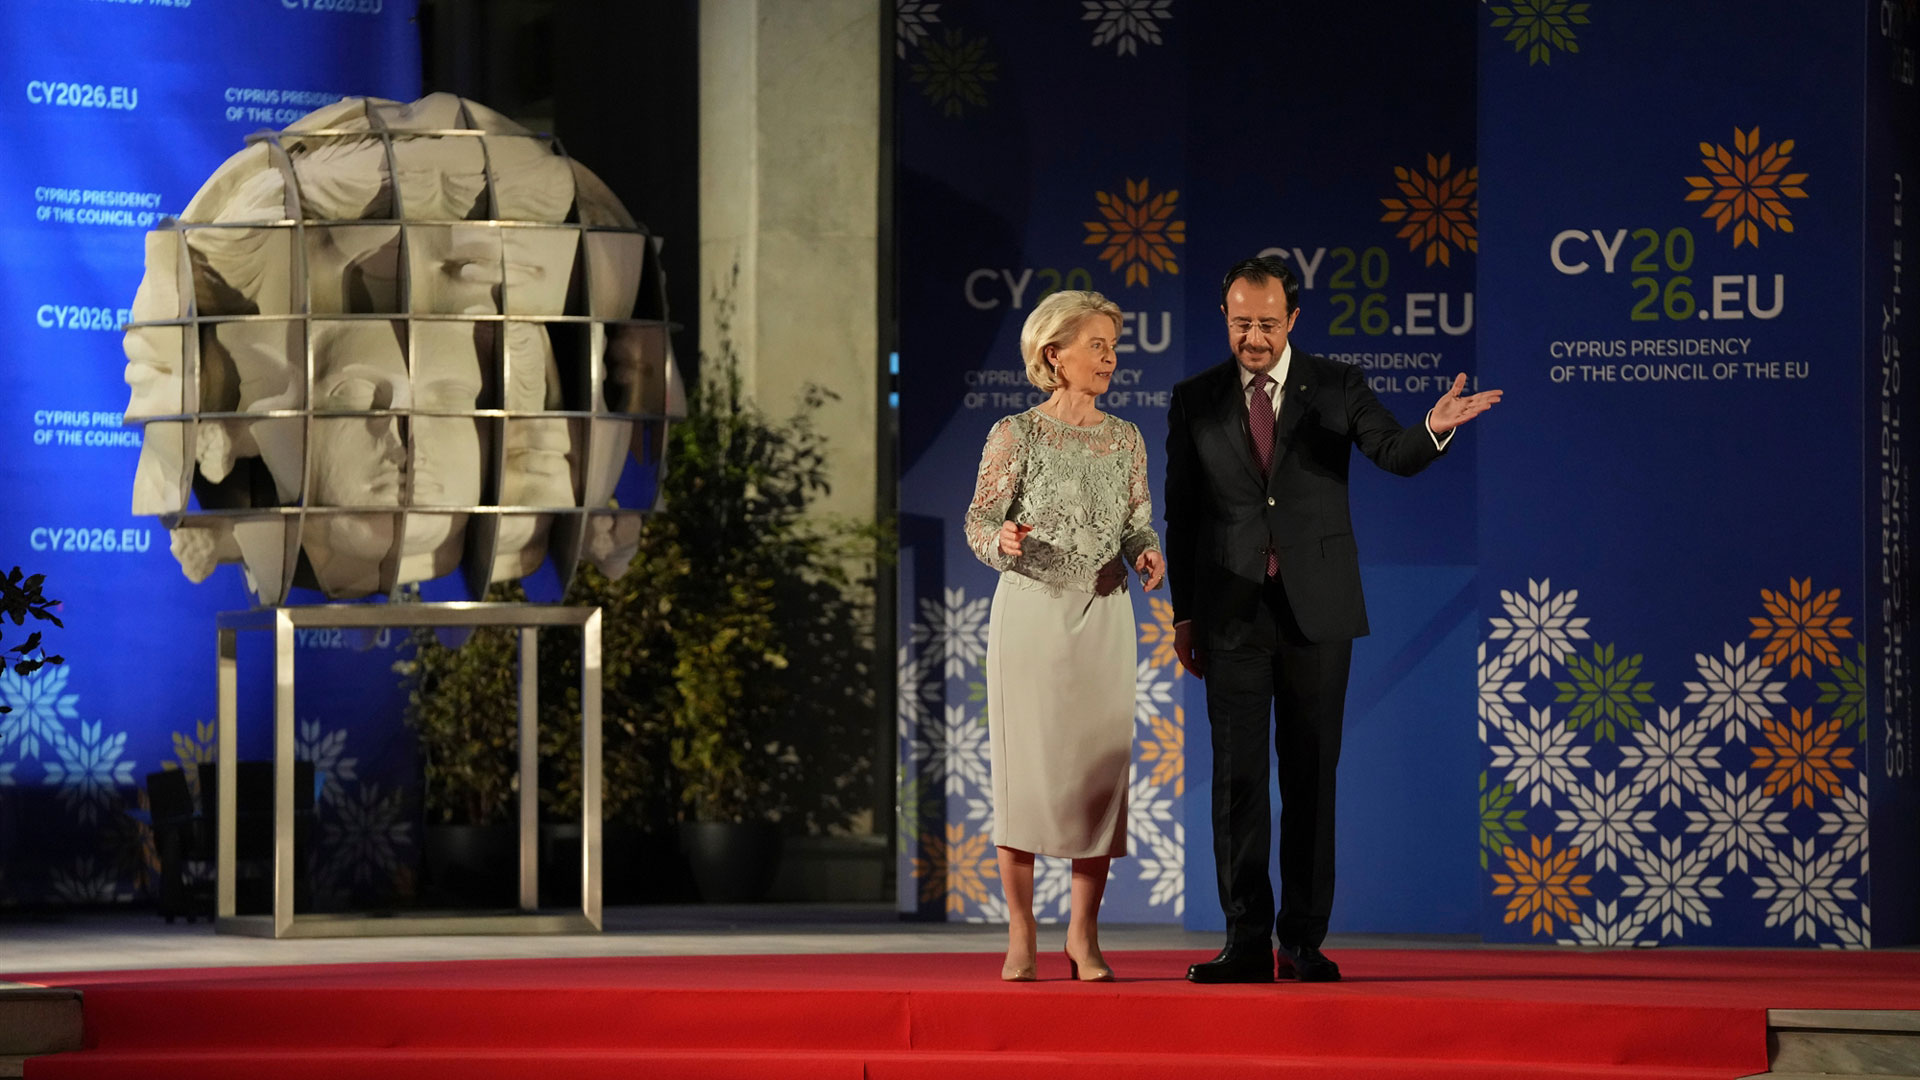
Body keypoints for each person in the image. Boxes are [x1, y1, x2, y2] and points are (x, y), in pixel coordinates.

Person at [1166, 256, 1501, 984]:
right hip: (1230, 616)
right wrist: (1184, 617)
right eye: (1240, 323)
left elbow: (1392, 451)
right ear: (1225, 317)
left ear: (1293, 319)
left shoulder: (1337, 384)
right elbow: (1182, 516)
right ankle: (1245, 942)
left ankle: (1301, 941)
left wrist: (1434, 428)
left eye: (1267, 323)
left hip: (1317, 614)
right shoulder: (1194, 398)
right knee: (1237, 783)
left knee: (1312, 779)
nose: (1253, 338)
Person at [964, 289, 1166, 982]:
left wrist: (1147, 551)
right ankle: (1021, 934)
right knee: (1025, 776)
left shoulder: (1126, 438)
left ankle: (1083, 936)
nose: (1110, 358)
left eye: (1113, 346)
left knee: (1097, 777)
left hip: (1104, 618)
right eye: (1096, 345)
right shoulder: (1015, 434)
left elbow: (1137, 521)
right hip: (1031, 615)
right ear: (1054, 354)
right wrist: (1000, 539)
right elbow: (979, 520)